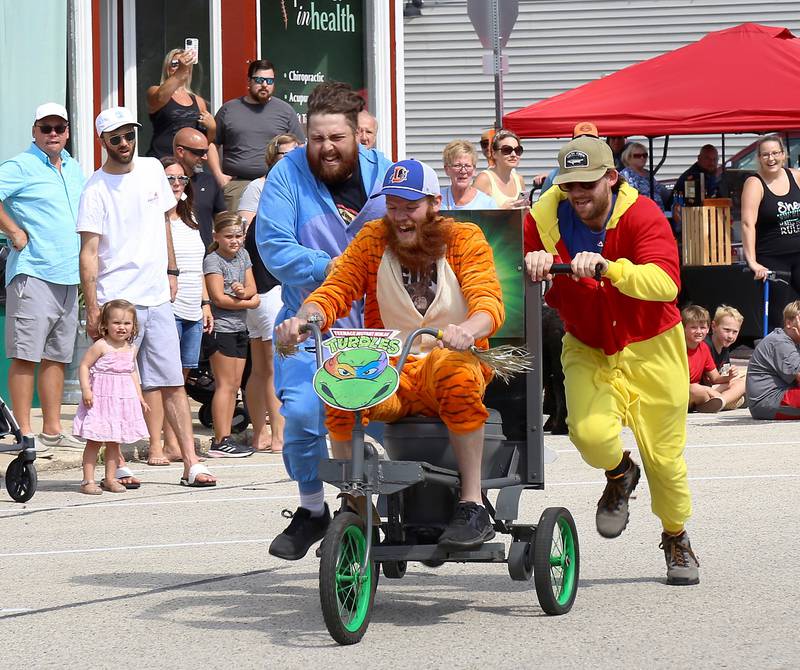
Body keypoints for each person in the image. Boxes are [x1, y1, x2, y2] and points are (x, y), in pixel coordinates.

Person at [277, 158, 504, 549]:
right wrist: (305, 318)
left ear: (434, 204)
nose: (400, 216)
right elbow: (336, 288)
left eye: (410, 206)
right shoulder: (371, 239)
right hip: (391, 366)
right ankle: (357, 505)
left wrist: (468, 330)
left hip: (447, 358)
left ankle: (472, 503)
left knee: (456, 372)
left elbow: (488, 300)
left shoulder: (465, 238)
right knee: (339, 384)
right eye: (393, 205)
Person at [523, 129, 700, 586]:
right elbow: (510, 267)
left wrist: (609, 269)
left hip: (651, 344)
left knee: (665, 460)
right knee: (587, 432)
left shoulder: (642, 214)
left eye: (588, 182)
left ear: (611, 177)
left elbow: (666, 285)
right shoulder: (541, 221)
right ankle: (620, 474)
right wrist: (533, 264)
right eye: (570, 184)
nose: (578, 193)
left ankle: (675, 537)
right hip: (586, 342)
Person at [257, 81, 392, 560]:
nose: (326, 148)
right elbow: (273, 247)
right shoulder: (287, 176)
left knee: (372, 424)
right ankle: (313, 510)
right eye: (317, 139)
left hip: (379, 325)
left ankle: (362, 509)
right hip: (311, 323)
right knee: (302, 415)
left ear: (358, 134)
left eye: (336, 138)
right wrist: (331, 267)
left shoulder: (386, 175)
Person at [77, 106, 216, 488]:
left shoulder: (154, 168)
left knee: (172, 381)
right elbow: (89, 252)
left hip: (156, 296)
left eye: (129, 135)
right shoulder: (95, 188)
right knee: (113, 385)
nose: (124, 143)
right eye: (116, 138)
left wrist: (172, 271)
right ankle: (117, 462)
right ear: (103, 141)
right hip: (117, 299)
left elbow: (164, 223)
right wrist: (92, 308)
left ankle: (191, 463)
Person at [0, 102, 86, 455]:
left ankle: (52, 429)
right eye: (46, 128)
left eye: (59, 128)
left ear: (67, 132)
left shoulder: (75, 167)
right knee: (26, 355)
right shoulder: (20, 165)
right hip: (33, 272)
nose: (53, 134)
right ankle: (24, 431)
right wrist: (14, 232)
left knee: (57, 357)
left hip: (69, 276)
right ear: (34, 131)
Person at [144, 157, 214, 466]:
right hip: (165, 303)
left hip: (191, 306)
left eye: (181, 180)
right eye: (170, 178)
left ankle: (174, 442)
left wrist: (205, 303)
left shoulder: (191, 220)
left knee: (179, 380)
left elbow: (198, 268)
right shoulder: (156, 220)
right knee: (159, 381)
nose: (176, 184)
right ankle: (157, 445)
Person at [238, 134, 300, 453]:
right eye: (283, 155)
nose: (289, 159)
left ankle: (263, 434)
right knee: (272, 365)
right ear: (271, 157)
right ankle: (276, 436)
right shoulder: (260, 189)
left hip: (275, 285)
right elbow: (244, 236)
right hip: (266, 284)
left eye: (295, 153)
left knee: (262, 366)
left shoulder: (295, 187)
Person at [73, 300, 150, 494]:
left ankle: (109, 478)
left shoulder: (131, 348)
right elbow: (84, 366)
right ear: (105, 324)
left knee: (115, 442)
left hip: (121, 401)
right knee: (94, 441)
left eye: (127, 323)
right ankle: (87, 480)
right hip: (100, 400)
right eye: (116, 323)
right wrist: (86, 390)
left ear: (133, 326)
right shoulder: (101, 345)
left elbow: (132, 372)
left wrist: (139, 396)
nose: (122, 327)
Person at [211, 59, 306, 212]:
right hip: (237, 186)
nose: (264, 85)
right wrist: (219, 177)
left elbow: (300, 147)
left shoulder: (285, 111)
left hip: (274, 184)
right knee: (236, 233)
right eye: (259, 80)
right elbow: (212, 144)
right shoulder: (229, 110)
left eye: (269, 81)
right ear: (249, 81)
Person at [203, 212, 258, 456]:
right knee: (224, 385)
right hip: (221, 328)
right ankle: (220, 439)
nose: (234, 241)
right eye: (228, 237)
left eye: (238, 236)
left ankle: (227, 437)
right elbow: (218, 298)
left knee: (235, 384)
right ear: (216, 236)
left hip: (239, 327)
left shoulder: (243, 255)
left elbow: (252, 288)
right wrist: (247, 301)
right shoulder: (213, 260)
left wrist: (242, 293)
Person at [741, 134, 800, 331]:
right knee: (781, 314)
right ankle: (781, 356)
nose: (771, 158)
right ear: (758, 158)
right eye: (765, 154)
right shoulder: (754, 183)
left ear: (784, 155)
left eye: (775, 153)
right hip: (773, 258)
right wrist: (752, 261)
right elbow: (748, 224)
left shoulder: (796, 176)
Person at [146, 49, 216, 158]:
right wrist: (180, 71)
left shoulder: (198, 100)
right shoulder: (155, 90)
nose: (179, 67)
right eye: (174, 64)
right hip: (162, 160)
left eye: (183, 64)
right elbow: (160, 98)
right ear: (167, 68)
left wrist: (212, 128)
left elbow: (202, 143)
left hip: (187, 164)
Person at [682, 305, 744, 412]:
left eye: (702, 328)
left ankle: (722, 401)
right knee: (696, 389)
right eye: (693, 327)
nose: (699, 331)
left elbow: (716, 378)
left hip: (707, 391)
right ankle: (727, 401)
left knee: (743, 381)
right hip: (690, 391)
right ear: (713, 327)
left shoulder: (704, 348)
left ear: (707, 328)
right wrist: (708, 389)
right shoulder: (680, 348)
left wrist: (729, 376)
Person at [746, 300, 800, 420]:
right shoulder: (780, 342)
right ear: (789, 323)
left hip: (777, 399)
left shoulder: (792, 341)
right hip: (769, 402)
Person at [173, 128, 225, 247]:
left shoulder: (210, 181)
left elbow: (223, 220)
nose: (205, 157)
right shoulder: (160, 182)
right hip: (171, 257)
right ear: (180, 151)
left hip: (206, 257)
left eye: (206, 152)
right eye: (199, 152)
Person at [474, 129, 527, 209]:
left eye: (517, 150)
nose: (513, 154)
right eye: (506, 150)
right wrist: (502, 210)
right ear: (494, 154)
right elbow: (473, 216)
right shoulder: (484, 179)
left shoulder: (519, 180)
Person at [440, 140, 497, 210]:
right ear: (447, 169)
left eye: (467, 166)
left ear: (474, 170)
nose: (463, 171)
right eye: (457, 165)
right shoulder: (437, 201)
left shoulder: (487, 204)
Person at [619, 142, 666, 210]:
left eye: (645, 155)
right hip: (640, 212)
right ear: (628, 157)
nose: (642, 158)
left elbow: (659, 191)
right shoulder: (625, 175)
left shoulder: (648, 173)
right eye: (637, 156)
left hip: (658, 211)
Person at [706, 305, 744, 372]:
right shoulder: (704, 347)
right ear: (713, 326)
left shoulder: (724, 347)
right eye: (727, 330)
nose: (730, 336)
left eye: (735, 332)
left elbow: (724, 373)